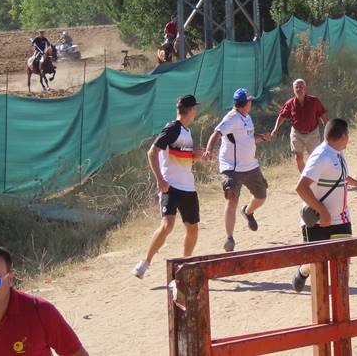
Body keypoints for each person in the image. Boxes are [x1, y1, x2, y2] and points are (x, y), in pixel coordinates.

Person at [291, 118, 357, 292]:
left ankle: (340, 301)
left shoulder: (338, 152)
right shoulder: (321, 156)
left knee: (343, 261)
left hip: (341, 218)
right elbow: (301, 187)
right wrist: (323, 211)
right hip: (317, 221)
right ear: (343, 136)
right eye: (348, 134)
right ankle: (302, 271)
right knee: (315, 265)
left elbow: (341, 175)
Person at [133, 95, 203, 279]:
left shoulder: (187, 131)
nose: (196, 111)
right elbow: (152, 152)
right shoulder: (173, 128)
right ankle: (145, 262)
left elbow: (180, 155)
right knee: (167, 226)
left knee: (193, 228)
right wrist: (160, 180)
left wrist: (195, 155)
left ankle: (185, 265)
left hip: (188, 187)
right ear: (189, 110)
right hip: (170, 187)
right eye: (195, 108)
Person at [204, 88, 271, 252]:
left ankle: (248, 212)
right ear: (245, 103)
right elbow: (216, 134)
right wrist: (209, 150)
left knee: (261, 196)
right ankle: (229, 238)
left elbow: (247, 139)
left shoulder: (247, 117)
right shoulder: (232, 118)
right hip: (232, 168)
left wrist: (261, 138)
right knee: (231, 199)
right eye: (250, 101)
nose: (251, 104)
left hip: (250, 165)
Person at [270, 79, 327, 172]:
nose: (299, 89)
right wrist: (275, 129)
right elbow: (282, 116)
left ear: (305, 88)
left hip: (312, 133)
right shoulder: (290, 103)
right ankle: (304, 177)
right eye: (296, 87)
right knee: (298, 157)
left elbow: (322, 114)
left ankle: (317, 177)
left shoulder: (314, 101)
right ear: (293, 90)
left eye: (301, 87)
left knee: (316, 157)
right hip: (297, 134)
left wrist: (327, 128)